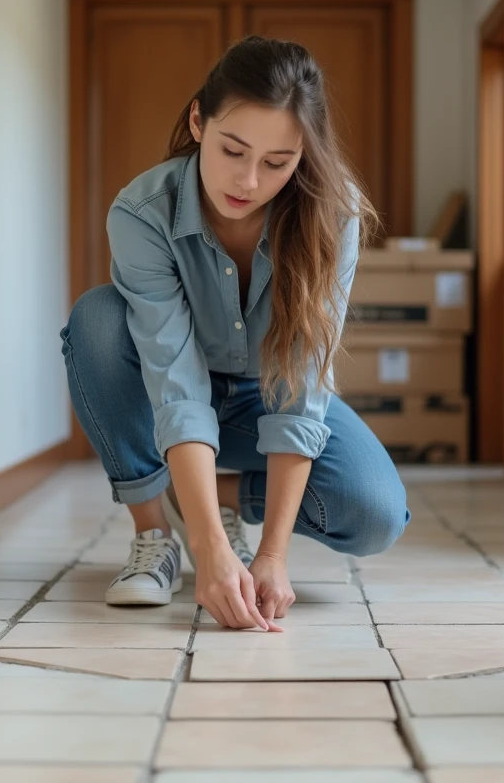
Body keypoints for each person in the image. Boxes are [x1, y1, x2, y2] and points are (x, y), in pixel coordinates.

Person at [60, 35, 410, 632]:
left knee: (376, 514)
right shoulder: (142, 213)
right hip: (164, 388)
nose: (248, 180)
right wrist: (209, 551)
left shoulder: (334, 214)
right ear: (199, 121)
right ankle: (155, 534)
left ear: (304, 155)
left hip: (265, 392)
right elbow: (175, 381)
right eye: (233, 150)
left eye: (277, 163)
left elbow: (302, 383)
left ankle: (216, 495)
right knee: (97, 319)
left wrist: (271, 554)